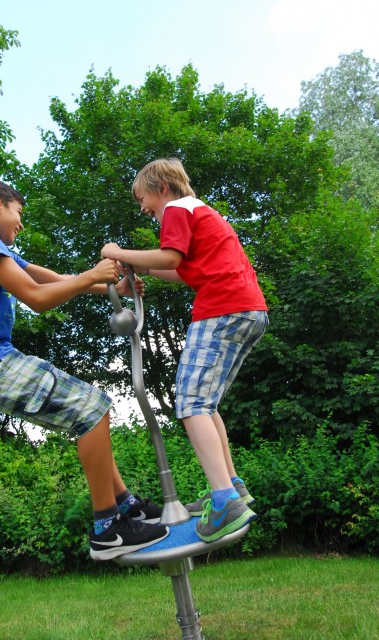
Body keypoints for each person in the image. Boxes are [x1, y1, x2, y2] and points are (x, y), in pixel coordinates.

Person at [0, 178, 168, 560]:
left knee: (89, 411)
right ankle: (107, 528)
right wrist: (93, 275)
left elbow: (46, 278)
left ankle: (126, 506)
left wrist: (110, 289)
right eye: (18, 213)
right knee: (92, 408)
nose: (20, 223)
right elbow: (37, 298)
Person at [101, 158, 268, 543]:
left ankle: (225, 502)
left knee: (191, 403)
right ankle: (230, 487)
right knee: (206, 405)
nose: (143, 208)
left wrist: (120, 252)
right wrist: (136, 272)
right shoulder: (202, 213)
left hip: (222, 308)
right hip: (248, 309)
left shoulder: (176, 208)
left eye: (143, 199)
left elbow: (169, 257)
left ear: (161, 188)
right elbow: (179, 270)